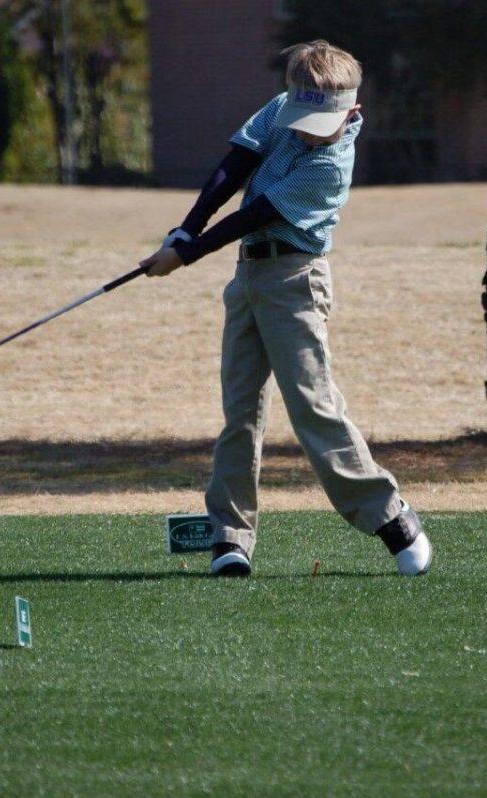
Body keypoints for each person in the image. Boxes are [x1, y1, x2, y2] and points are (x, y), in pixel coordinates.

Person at [138, 40, 431, 578]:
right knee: (240, 413)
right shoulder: (285, 106)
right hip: (248, 276)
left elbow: (258, 214)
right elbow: (237, 163)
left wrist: (185, 255)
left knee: (312, 406)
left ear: (353, 111)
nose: (303, 130)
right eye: (300, 118)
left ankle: (391, 517)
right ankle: (230, 539)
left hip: (294, 280)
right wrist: (187, 227)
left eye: (318, 123)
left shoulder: (332, 165)